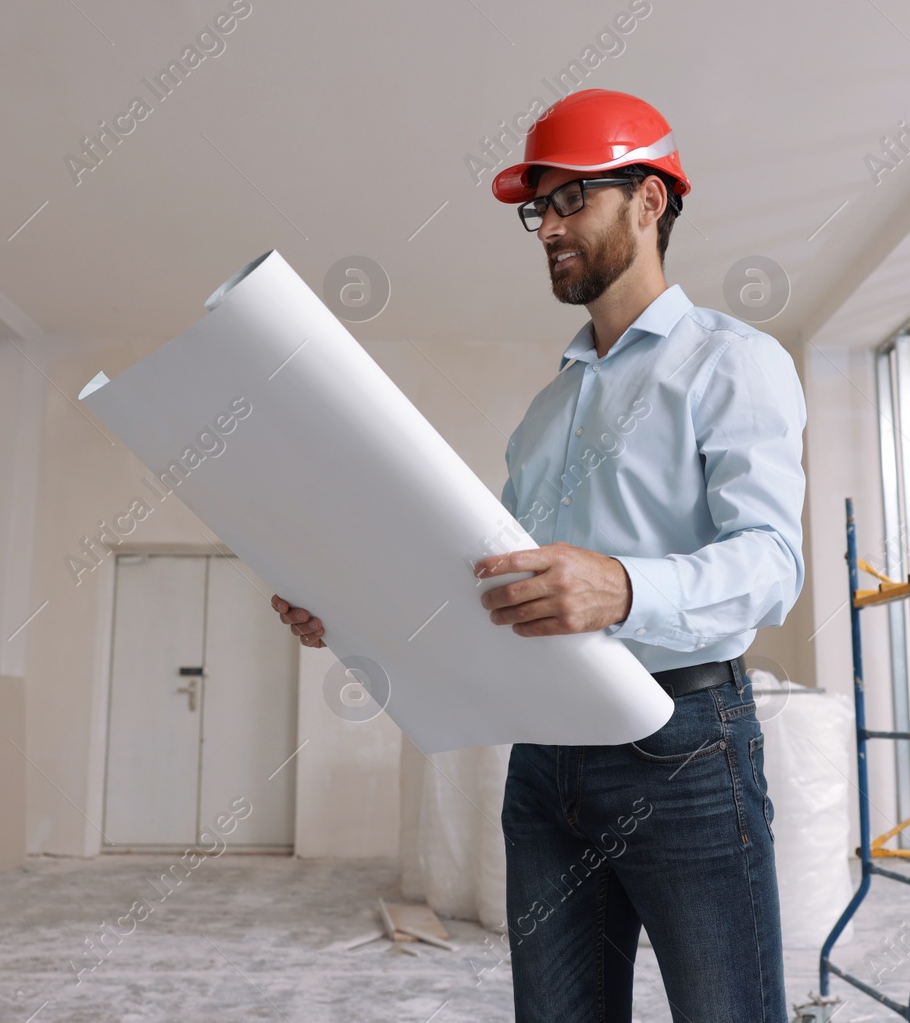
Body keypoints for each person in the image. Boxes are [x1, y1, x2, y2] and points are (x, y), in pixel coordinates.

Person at [271, 87, 806, 1022]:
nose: (547, 227)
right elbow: (490, 589)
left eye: (571, 201)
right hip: (547, 760)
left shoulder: (732, 362)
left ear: (650, 200)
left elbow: (773, 564)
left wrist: (626, 586)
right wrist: (353, 614)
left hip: (683, 746)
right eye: (539, 208)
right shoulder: (548, 411)